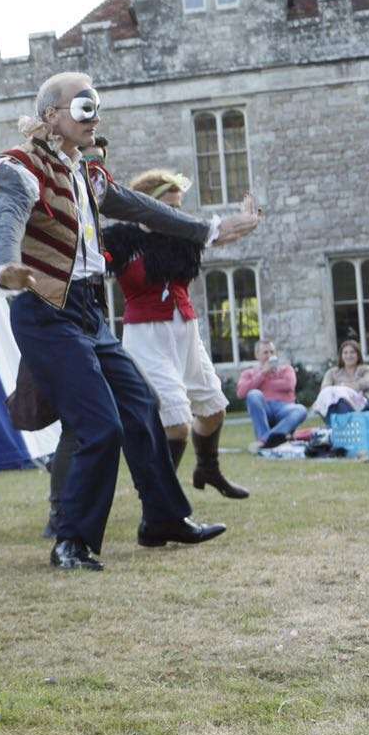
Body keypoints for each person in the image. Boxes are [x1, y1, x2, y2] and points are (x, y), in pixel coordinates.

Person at [0, 71, 258, 571]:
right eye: (84, 107)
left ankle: (162, 519)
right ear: (51, 116)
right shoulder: (21, 168)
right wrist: (4, 268)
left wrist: (213, 230)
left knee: (140, 407)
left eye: (97, 106)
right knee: (100, 426)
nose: (96, 116)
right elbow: (7, 218)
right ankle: (71, 541)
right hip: (46, 311)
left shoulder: (87, 172)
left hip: (89, 310)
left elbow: (145, 209)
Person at [108, 169, 256, 499]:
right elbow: (86, 260)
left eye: (178, 207)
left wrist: (245, 220)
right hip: (146, 336)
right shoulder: (121, 240)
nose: (175, 214)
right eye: (168, 207)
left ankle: (208, 468)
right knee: (176, 422)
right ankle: (160, 498)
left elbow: (219, 235)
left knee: (214, 409)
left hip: (185, 331)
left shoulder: (183, 238)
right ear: (146, 206)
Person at [235, 340, 306, 448]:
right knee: (253, 394)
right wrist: (263, 373)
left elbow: (289, 385)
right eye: (265, 352)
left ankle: (264, 440)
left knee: (301, 409)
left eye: (272, 352)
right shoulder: (248, 373)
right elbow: (241, 393)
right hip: (264, 408)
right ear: (257, 355)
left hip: (284, 407)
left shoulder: (286, 369)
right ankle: (269, 440)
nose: (269, 356)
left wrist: (260, 384)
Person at [312, 340, 369, 423]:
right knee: (332, 401)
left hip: (361, 403)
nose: (348, 356)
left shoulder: (368, 369)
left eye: (352, 352)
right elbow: (325, 389)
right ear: (341, 356)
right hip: (335, 405)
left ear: (358, 354)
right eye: (345, 353)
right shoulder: (332, 373)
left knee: (341, 401)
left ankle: (343, 427)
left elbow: (368, 382)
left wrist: (342, 388)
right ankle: (337, 428)